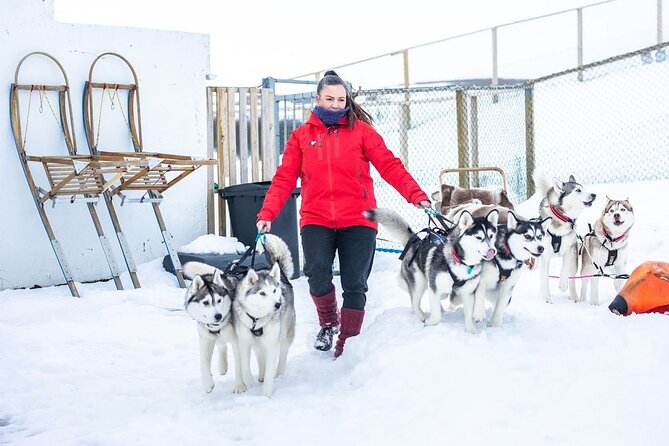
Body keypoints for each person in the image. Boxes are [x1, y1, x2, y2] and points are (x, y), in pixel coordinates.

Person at [256, 70, 430, 357]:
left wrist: (416, 195)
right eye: (330, 99)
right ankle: (328, 322)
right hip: (316, 218)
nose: (336, 105)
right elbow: (285, 178)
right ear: (318, 98)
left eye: (341, 99)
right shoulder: (302, 136)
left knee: (354, 284)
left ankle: (347, 342)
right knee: (317, 275)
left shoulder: (362, 132)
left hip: (359, 219)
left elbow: (390, 166)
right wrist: (267, 213)